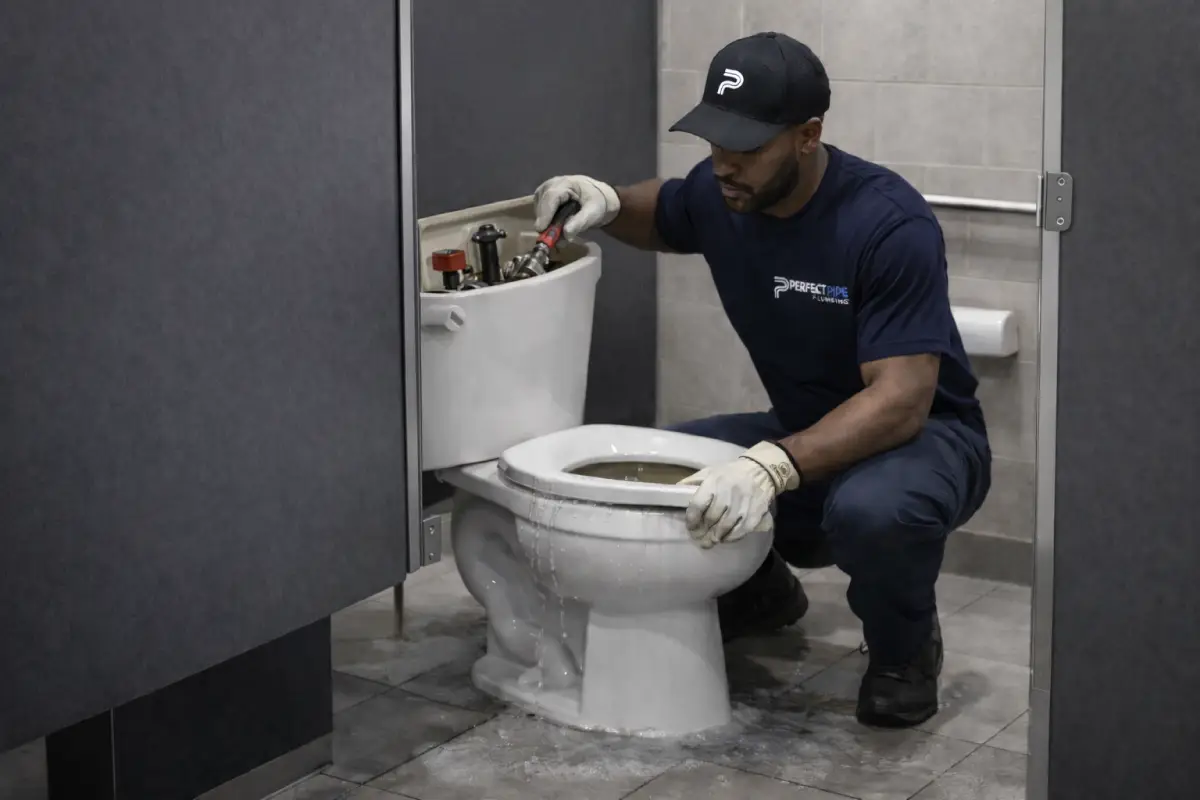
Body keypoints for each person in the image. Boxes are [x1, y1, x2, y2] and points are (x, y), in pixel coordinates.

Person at [532, 31, 992, 729]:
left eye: (746, 149)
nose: (724, 165)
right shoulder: (726, 193)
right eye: (715, 143)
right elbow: (665, 210)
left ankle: (903, 653)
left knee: (873, 513)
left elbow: (901, 402)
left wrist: (775, 465)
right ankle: (760, 595)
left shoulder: (885, 223)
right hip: (806, 427)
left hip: (924, 442)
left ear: (808, 136)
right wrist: (604, 200)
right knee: (651, 480)